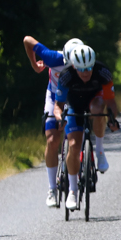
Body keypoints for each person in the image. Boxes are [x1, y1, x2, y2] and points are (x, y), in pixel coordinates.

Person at [55, 45, 120, 210]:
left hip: (94, 100)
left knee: (98, 110)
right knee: (74, 146)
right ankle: (72, 190)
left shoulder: (102, 72)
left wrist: (112, 119)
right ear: (74, 66)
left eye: (89, 68)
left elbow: (111, 102)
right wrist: (60, 118)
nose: (86, 72)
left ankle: (99, 150)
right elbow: (58, 106)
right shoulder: (66, 76)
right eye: (82, 69)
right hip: (74, 105)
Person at [24, 35, 84, 207]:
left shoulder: (84, 61)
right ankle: (52, 188)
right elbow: (27, 40)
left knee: (74, 137)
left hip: (74, 98)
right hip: (53, 97)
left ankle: (75, 184)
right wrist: (35, 65)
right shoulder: (52, 58)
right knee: (52, 140)